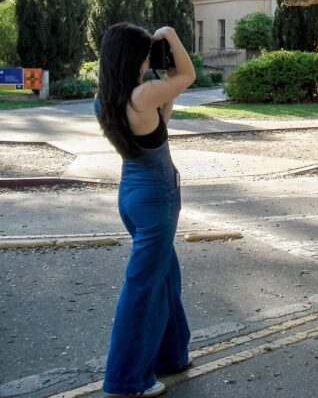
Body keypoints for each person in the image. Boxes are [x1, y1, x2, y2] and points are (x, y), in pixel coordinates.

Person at [96, 23, 196, 397]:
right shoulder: (141, 95)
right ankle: (125, 382)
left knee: (164, 278)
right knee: (141, 290)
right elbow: (188, 74)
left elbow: (158, 124)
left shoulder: (108, 97)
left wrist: (164, 83)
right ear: (135, 57)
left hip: (132, 197)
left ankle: (172, 355)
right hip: (156, 201)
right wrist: (169, 33)